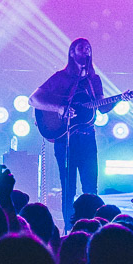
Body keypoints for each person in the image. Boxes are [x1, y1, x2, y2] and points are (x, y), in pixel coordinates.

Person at [30, 38, 114, 228]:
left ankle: (92, 228)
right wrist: (59, 108)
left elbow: (102, 107)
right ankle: (69, 229)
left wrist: (121, 98)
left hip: (88, 139)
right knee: (68, 188)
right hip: (65, 140)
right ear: (72, 52)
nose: (86, 51)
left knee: (90, 188)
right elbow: (34, 99)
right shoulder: (61, 78)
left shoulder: (94, 80)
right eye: (81, 48)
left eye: (88, 48)